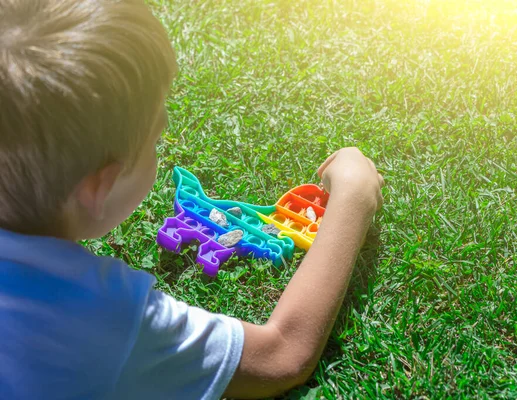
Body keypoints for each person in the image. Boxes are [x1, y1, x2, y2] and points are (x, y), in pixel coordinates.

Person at [0, 0, 384, 398]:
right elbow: (282, 355)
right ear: (101, 187)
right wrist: (354, 199)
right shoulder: (99, 315)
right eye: (155, 139)